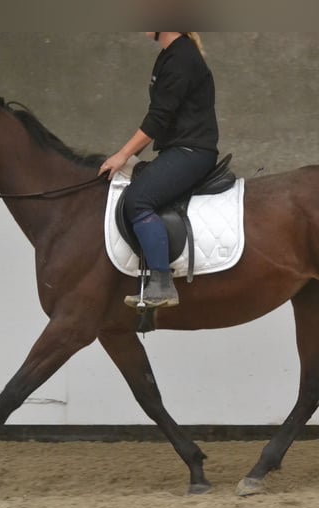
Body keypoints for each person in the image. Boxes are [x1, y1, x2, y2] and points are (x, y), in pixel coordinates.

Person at [99, 32, 219, 308]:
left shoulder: (181, 57)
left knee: (138, 200)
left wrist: (123, 154)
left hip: (192, 152)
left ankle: (162, 284)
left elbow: (158, 118)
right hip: (177, 149)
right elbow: (161, 118)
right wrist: (130, 157)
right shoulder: (170, 55)